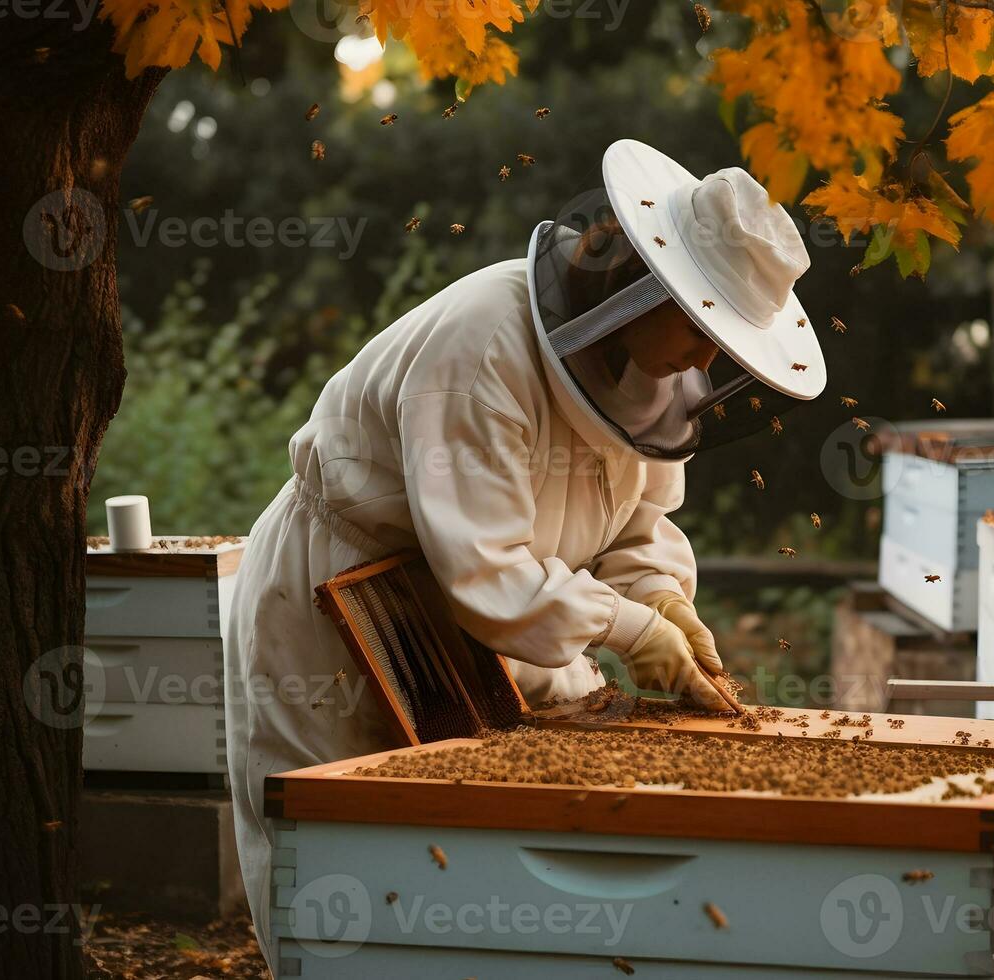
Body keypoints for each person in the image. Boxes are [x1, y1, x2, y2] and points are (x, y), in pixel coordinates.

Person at [223, 139, 826, 963]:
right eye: (701, 328)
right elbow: (484, 571)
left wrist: (663, 605)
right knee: (347, 876)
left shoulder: (652, 379)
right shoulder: (481, 347)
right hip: (348, 601)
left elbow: (635, 531)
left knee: (518, 879)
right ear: (642, 286)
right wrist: (629, 631)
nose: (706, 360)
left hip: (518, 620)